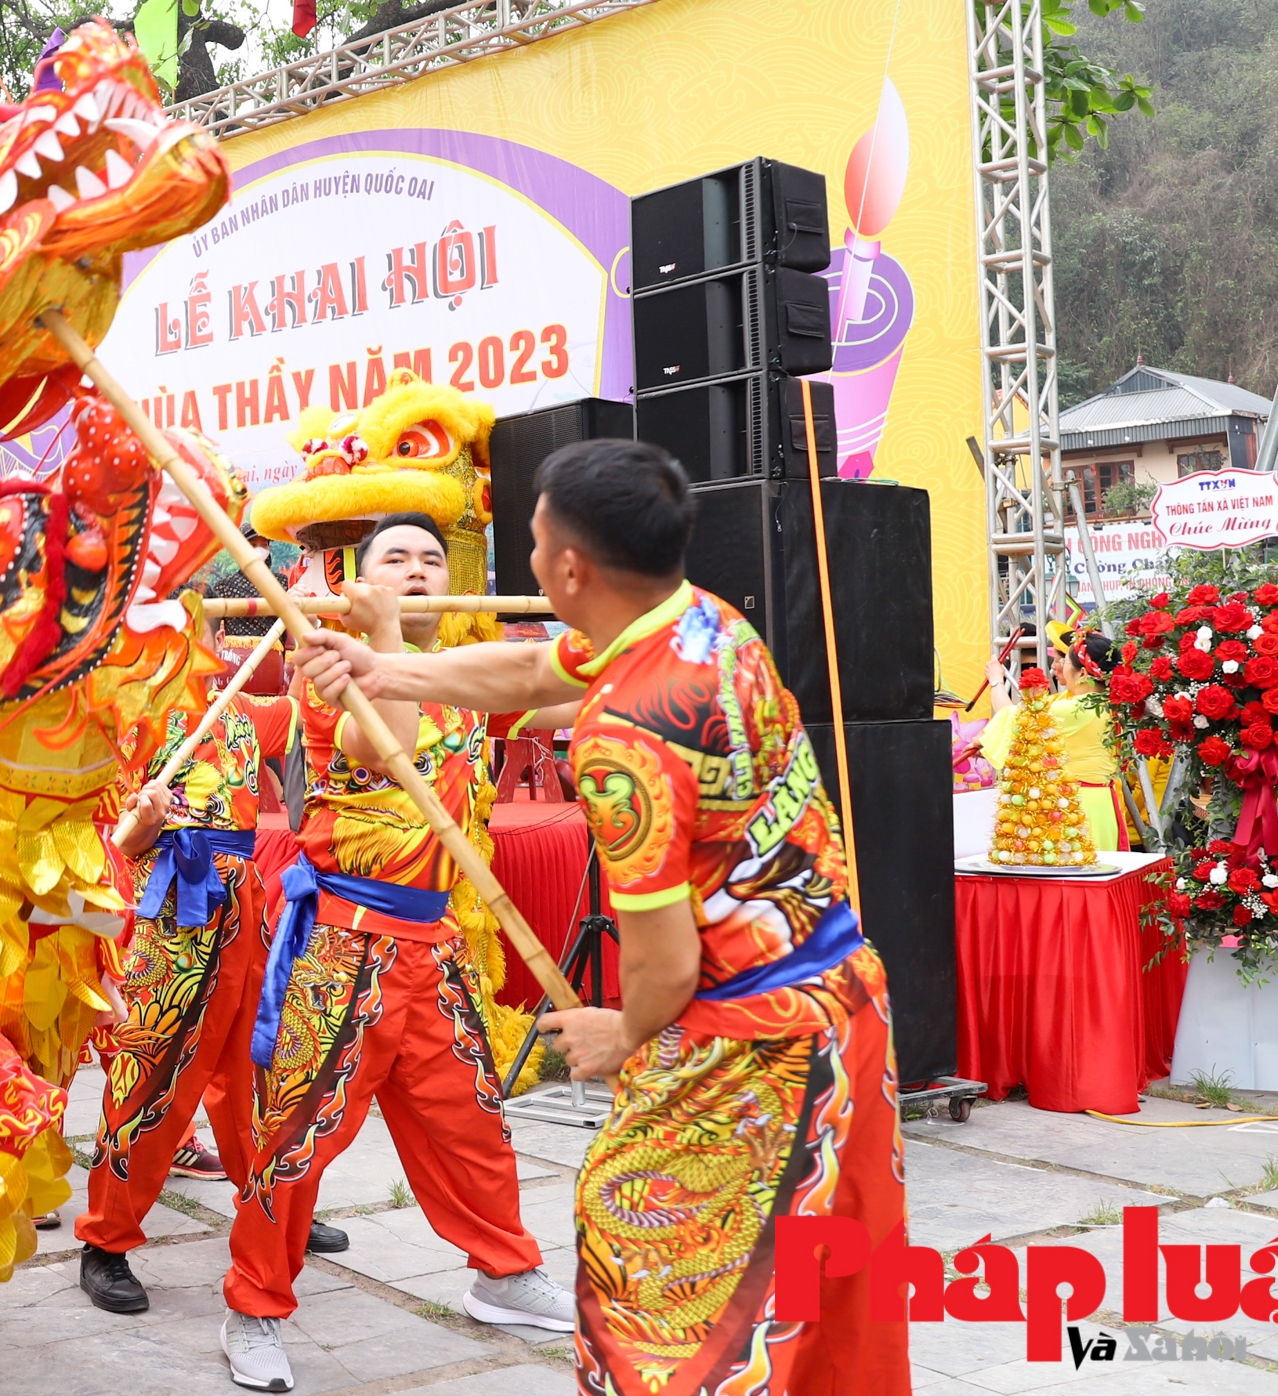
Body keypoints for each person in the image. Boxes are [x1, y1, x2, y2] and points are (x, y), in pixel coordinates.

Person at [296, 439, 909, 1396]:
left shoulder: (626, 739)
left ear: (569, 568)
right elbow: (539, 671)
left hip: (747, 1040)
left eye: (535, 541)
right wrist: (391, 673)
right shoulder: (705, 624)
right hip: (843, 1002)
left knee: (657, 1297)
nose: (529, 559)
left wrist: (618, 1029)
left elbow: (662, 965)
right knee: (819, 1290)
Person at [218, 514, 573, 1392]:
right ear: (360, 578)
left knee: (474, 1126)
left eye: (430, 560)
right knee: (295, 1137)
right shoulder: (327, 667)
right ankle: (254, 1306)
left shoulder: (463, 675)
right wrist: (376, 633)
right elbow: (389, 745)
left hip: (437, 947)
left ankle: (504, 1272)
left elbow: (573, 694)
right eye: (396, 560)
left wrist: (634, 642)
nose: (418, 572)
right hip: (344, 946)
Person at [77, 675, 349, 1315]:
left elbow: (326, 703)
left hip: (246, 906)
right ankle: (106, 1240)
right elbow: (109, 840)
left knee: (260, 1067)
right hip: (168, 908)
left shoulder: (249, 709)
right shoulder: (116, 712)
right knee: (148, 1070)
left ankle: (274, 1205)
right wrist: (142, 824)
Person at [978, 621, 1145, 850]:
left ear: (1084, 673)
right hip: (1092, 801)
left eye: (1065, 660)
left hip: (1078, 805)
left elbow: (1011, 717)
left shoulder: (1079, 708)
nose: (1059, 666)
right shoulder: (1102, 701)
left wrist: (997, 680)